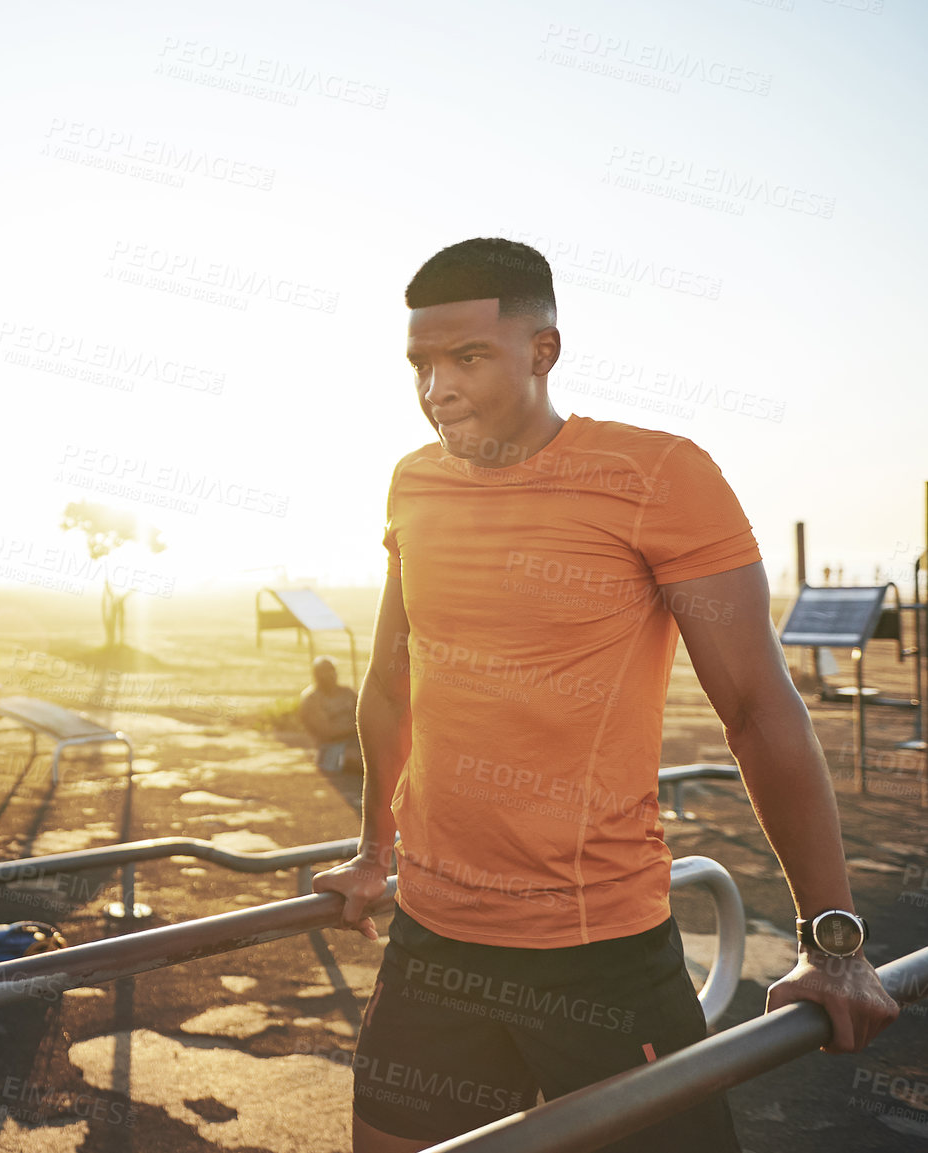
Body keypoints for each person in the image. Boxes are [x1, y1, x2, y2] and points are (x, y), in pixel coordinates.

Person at [310, 238, 899, 1152]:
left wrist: (835, 944)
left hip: (599, 953)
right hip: (434, 941)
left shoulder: (658, 477)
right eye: (422, 362)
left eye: (468, 357)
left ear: (543, 351)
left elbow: (757, 708)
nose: (438, 388)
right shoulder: (413, 483)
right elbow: (393, 682)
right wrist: (371, 850)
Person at [300, 656, 361, 773]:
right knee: (357, 759)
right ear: (316, 675)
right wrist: (357, 726)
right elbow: (328, 732)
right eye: (323, 672)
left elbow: (365, 716)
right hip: (329, 749)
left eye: (331, 670)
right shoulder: (311, 699)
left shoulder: (348, 693)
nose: (329, 675)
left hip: (355, 742)